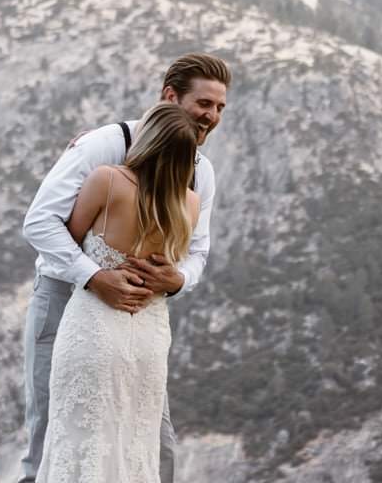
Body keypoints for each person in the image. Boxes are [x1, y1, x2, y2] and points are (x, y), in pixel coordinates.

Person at [19, 53, 230, 483]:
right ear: (170, 97)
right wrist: (95, 277)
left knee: (153, 442)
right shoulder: (102, 147)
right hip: (67, 302)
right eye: (204, 104)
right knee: (53, 434)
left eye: (220, 107)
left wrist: (178, 280)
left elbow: (199, 252)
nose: (212, 116)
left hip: (141, 323)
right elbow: (40, 221)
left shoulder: (200, 175)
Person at [34, 102, 200, 482]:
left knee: (80, 438)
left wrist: (98, 273)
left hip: (94, 326)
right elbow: (178, 265)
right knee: (136, 445)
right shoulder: (190, 204)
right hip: (148, 335)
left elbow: (68, 242)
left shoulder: (107, 181)